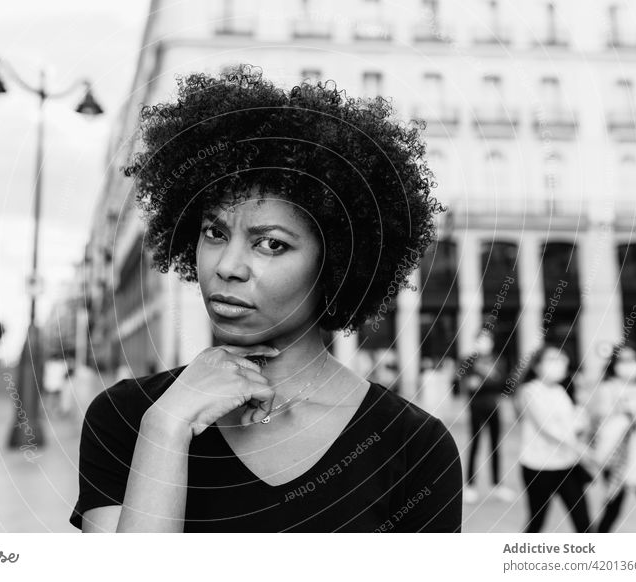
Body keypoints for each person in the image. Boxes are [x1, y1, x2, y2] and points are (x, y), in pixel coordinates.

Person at [70, 65, 462, 533]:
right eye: (214, 232)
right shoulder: (128, 418)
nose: (227, 266)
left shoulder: (413, 447)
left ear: (336, 261)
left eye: (270, 243)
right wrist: (167, 429)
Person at [514, 343, 593, 533]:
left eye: (561, 359)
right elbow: (547, 427)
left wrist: (581, 400)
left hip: (567, 464)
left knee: (584, 523)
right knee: (537, 522)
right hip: (538, 466)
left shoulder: (561, 391)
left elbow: (578, 423)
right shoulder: (529, 391)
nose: (559, 364)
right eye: (552, 359)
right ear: (537, 365)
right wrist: (582, 448)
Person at [589, 342, 636, 532]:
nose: (630, 364)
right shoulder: (607, 388)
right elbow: (599, 421)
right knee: (614, 508)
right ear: (614, 364)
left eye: (633, 359)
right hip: (618, 456)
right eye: (624, 360)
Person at [457, 326, 515, 503]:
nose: (484, 343)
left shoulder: (498, 360)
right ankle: (470, 485)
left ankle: (497, 485)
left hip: (493, 406)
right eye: (481, 339)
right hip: (476, 407)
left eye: (487, 339)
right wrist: (488, 381)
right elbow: (467, 385)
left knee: (495, 446)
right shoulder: (468, 361)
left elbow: (503, 383)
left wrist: (483, 382)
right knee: (475, 445)